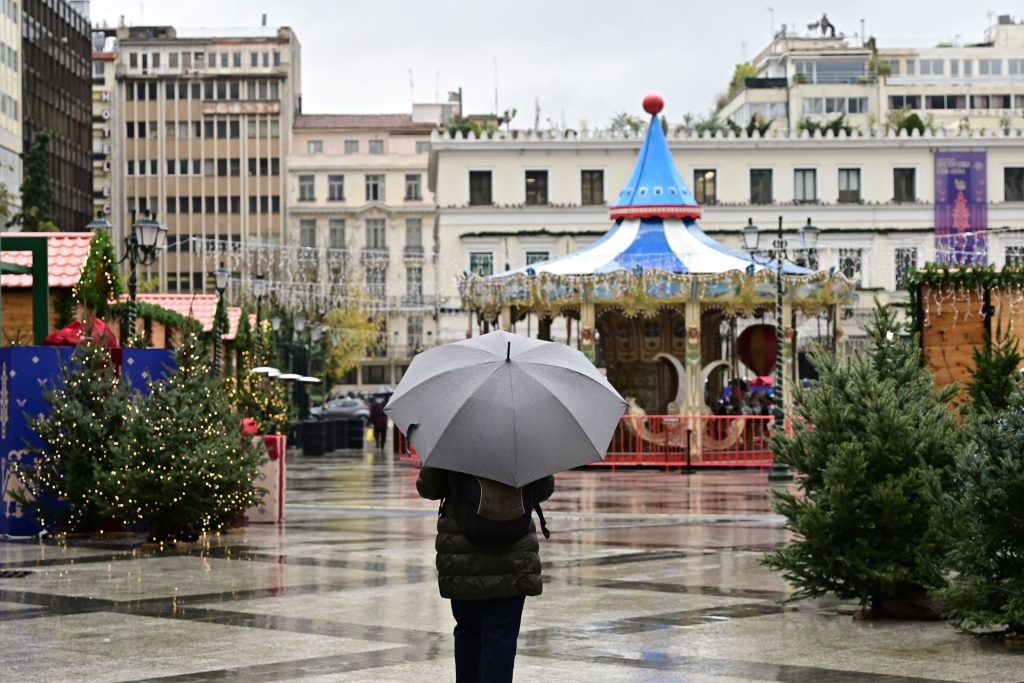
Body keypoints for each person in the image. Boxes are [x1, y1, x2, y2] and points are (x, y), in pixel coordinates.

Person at [417, 466, 555, 683]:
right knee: (501, 639)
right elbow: (544, 490)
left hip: (463, 558)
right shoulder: (525, 439)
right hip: (514, 556)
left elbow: (429, 488)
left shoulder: (453, 437)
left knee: (468, 633)